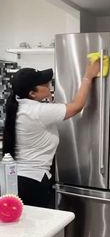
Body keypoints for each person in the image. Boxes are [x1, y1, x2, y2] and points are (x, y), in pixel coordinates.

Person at [3, 60, 100, 207]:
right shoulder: (37, 112)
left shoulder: (22, 108)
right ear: (32, 93)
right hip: (32, 183)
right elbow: (76, 106)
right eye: (44, 84)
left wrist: (48, 97)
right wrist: (88, 77)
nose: (48, 84)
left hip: (16, 179)